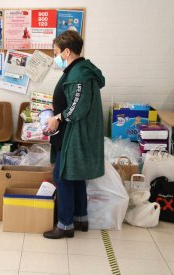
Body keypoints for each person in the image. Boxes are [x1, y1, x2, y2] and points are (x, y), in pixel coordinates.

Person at [43, 30, 105, 239]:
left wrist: (57, 117)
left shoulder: (79, 74)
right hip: (72, 131)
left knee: (63, 177)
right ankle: (80, 218)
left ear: (67, 51)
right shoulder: (78, 71)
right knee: (76, 176)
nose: (55, 57)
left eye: (56, 52)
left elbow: (77, 109)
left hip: (74, 134)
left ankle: (65, 225)